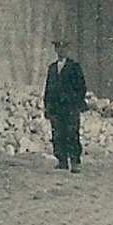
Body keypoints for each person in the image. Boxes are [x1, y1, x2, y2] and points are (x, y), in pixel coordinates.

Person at [43, 37, 88, 172]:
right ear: (56, 50)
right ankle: (62, 160)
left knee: (72, 133)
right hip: (56, 107)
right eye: (58, 48)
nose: (61, 51)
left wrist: (73, 101)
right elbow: (48, 88)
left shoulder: (74, 67)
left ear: (68, 50)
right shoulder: (52, 68)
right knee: (57, 133)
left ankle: (75, 161)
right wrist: (47, 106)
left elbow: (81, 88)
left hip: (70, 107)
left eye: (64, 48)